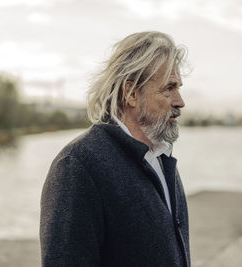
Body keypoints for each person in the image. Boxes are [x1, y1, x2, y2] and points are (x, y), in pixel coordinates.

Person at [40, 31, 190, 267]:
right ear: (130, 93)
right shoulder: (77, 166)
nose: (180, 101)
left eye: (178, 87)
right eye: (168, 88)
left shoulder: (161, 158)